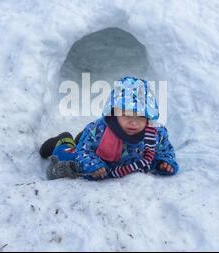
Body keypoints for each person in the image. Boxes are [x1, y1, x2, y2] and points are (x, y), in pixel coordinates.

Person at [40, 76, 179, 180]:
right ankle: (64, 141)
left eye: (140, 117)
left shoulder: (155, 133)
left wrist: (164, 161)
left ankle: (80, 137)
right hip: (94, 147)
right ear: (114, 112)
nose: (134, 123)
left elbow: (165, 149)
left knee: (88, 139)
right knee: (70, 153)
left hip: (98, 143)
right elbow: (85, 151)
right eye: (126, 115)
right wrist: (92, 164)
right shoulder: (100, 129)